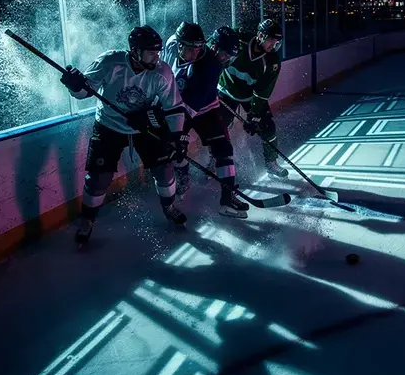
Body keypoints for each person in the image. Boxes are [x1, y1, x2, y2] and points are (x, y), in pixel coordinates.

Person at [61, 26, 189, 243]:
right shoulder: (110, 62)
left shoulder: (162, 72)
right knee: (98, 178)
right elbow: (84, 92)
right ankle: (88, 220)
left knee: (165, 169)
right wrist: (74, 85)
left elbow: (174, 107)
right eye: (151, 52)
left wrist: (176, 137)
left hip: (144, 127)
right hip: (109, 125)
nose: (156, 57)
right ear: (135, 51)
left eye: (158, 52)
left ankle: (170, 207)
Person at [162, 22, 249, 218]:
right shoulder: (172, 43)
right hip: (175, 107)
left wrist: (178, 135)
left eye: (230, 56)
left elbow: (190, 108)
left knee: (223, 149)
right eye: (225, 54)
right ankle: (182, 178)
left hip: (202, 109)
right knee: (177, 152)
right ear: (214, 46)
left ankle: (227, 199)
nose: (226, 60)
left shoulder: (211, 67)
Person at [218, 18, 288, 178]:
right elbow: (215, 45)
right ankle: (216, 158)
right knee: (220, 128)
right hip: (226, 90)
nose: (274, 45)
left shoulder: (272, 62)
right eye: (271, 40)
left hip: (250, 96)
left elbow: (262, 92)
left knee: (268, 126)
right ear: (260, 36)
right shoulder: (239, 40)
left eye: (277, 41)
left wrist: (254, 115)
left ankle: (271, 163)